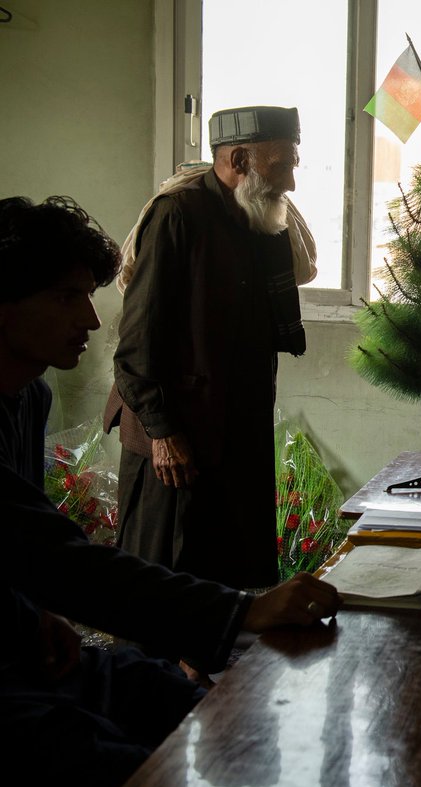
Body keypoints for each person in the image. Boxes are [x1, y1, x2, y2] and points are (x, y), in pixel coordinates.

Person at [0, 195, 341, 787]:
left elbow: (19, 548)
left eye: (89, 294)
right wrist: (242, 613)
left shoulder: (29, 397)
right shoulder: (179, 217)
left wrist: (32, 616)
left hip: (22, 644)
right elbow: (57, 557)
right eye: (64, 297)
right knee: (128, 767)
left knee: (181, 697)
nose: (91, 319)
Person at [105, 105, 307, 590]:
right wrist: (161, 430)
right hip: (176, 436)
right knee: (164, 578)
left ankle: (205, 666)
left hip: (237, 429)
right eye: (280, 167)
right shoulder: (178, 216)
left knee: (226, 572)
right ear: (238, 159)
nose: (290, 184)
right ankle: (154, 668)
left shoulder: (259, 217)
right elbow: (136, 341)